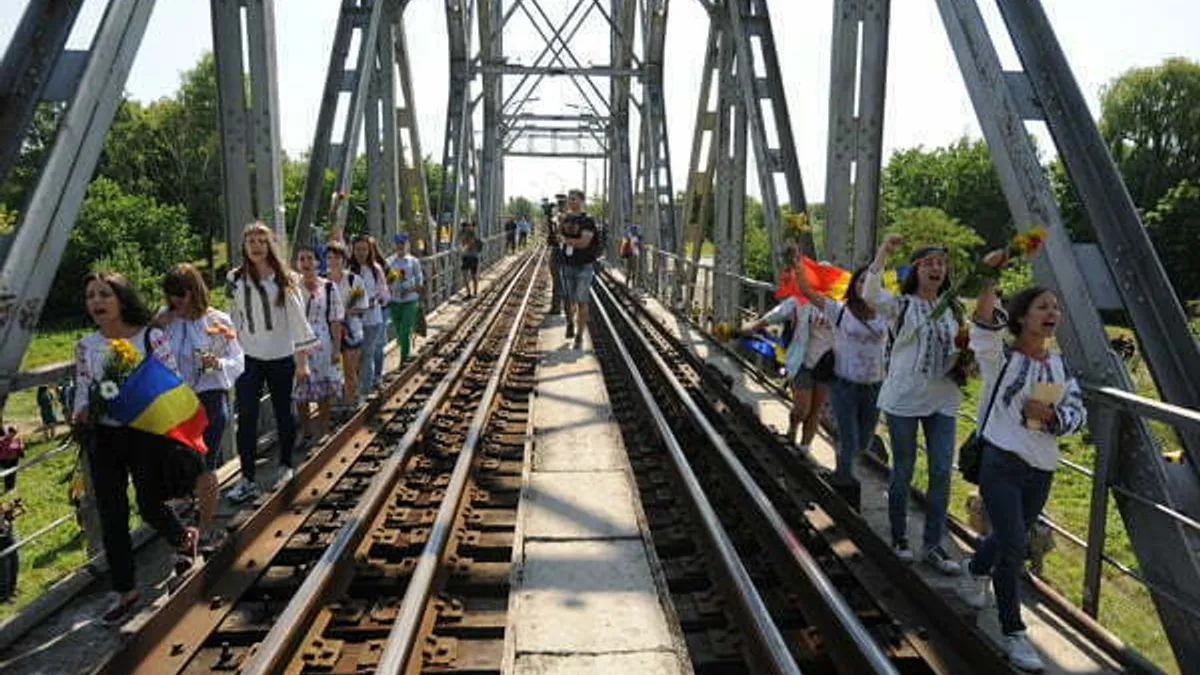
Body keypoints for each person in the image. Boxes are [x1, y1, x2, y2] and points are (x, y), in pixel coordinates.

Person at [961, 264, 1086, 672]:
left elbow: (1078, 412)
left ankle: (975, 567)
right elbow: (981, 321)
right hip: (1001, 462)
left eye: (1055, 307)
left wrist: (1051, 417)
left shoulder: (1060, 366)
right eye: (1042, 306)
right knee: (1014, 546)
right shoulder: (1001, 357)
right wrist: (989, 278)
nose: (1052, 312)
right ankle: (1013, 632)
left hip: (1042, 469)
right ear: (1020, 316)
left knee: (1007, 537)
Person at [72, 271, 205, 625]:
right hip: (105, 436)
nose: (96, 302)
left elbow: (172, 380)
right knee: (111, 512)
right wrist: (81, 411)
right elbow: (84, 384)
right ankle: (125, 591)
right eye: (90, 296)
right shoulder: (86, 345)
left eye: (104, 294)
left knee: (148, 503)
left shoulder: (151, 337)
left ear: (122, 298)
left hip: (145, 433)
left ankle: (182, 537)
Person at [862, 234, 963, 574]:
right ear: (916, 270)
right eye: (929, 263)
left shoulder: (953, 307)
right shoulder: (902, 304)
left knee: (940, 472)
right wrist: (883, 252)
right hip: (903, 397)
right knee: (903, 468)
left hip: (943, 398)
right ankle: (899, 537)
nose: (936, 268)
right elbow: (870, 294)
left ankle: (933, 545)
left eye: (941, 263)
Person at [227, 223, 317, 503]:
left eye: (261, 241)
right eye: (250, 241)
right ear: (244, 246)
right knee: (248, 417)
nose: (255, 246)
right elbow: (233, 318)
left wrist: (302, 362)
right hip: (248, 357)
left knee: (282, 411)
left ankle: (285, 465)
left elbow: (297, 322)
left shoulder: (285, 279)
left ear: (269, 246)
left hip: (280, 355)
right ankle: (248, 478)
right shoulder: (235, 279)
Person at [160, 263, 243, 541]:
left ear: (195, 292)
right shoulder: (165, 322)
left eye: (181, 294)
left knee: (205, 463)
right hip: (175, 401)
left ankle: (205, 526)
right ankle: (182, 524)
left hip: (209, 398)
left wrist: (218, 363)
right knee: (175, 464)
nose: (176, 301)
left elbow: (237, 360)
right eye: (171, 294)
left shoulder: (217, 321)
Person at [793, 263, 888, 490]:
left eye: (871, 281)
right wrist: (797, 266)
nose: (865, 285)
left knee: (863, 442)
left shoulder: (887, 314)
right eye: (861, 280)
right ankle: (843, 480)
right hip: (844, 385)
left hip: (874, 386)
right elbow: (808, 292)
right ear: (854, 285)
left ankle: (842, 468)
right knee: (849, 437)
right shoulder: (840, 310)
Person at [742, 257, 835, 455]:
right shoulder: (801, 300)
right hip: (801, 360)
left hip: (826, 363)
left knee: (815, 410)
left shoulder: (839, 304)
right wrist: (754, 326)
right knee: (803, 408)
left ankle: (804, 448)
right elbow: (777, 313)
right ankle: (793, 428)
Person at [293, 246, 345, 442]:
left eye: (309, 258)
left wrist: (337, 349)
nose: (306, 263)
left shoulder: (329, 288)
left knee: (323, 390)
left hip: (322, 342)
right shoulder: (292, 288)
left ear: (317, 262)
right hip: (299, 343)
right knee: (301, 391)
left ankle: (324, 430)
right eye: (302, 259)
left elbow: (335, 320)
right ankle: (306, 431)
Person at [326, 241, 367, 405]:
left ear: (344, 259)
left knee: (350, 371)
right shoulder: (322, 280)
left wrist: (341, 313)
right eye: (329, 257)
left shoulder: (354, 280)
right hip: (329, 333)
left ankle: (352, 403)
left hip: (351, 332)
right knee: (330, 372)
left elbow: (362, 307)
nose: (333, 261)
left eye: (337, 257)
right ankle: (334, 406)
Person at [349, 234, 389, 395]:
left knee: (367, 354)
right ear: (353, 250)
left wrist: (376, 300)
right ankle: (358, 387)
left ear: (369, 250)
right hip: (353, 321)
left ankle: (365, 392)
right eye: (358, 249)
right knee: (356, 357)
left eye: (364, 249)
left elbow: (384, 293)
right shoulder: (349, 270)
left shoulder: (375, 269)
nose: (361, 252)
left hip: (373, 319)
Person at [559, 189, 599, 349]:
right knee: (568, 299)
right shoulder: (564, 219)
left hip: (584, 266)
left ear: (581, 201)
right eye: (569, 199)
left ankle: (579, 336)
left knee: (582, 301)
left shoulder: (588, 220)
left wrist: (566, 240)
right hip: (567, 264)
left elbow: (584, 243)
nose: (571, 202)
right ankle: (570, 322)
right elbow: (557, 238)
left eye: (574, 199)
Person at [385, 233, 425, 363]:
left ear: (407, 245)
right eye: (398, 243)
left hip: (410, 300)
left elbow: (420, 281)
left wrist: (409, 289)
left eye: (403, 243)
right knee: (399, 330)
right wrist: (391, 280)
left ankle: (404, 359)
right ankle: (404, 348)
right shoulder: (390, 262)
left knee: (405, 330)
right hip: (394, 301)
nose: (400, 246)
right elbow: (387, 281)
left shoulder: (413, 262)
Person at [460, 225, 482, 298]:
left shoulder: (472, 240)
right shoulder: (476, 239)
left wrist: (465, 248)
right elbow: (480, 249)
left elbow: (464, 248)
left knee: (467, 276)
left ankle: (470, 293)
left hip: (468, 258)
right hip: (472, 258)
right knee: (472, 276)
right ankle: (474, 293)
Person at [0, 427, 23, 491]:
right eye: (12, 434)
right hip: (5, 459)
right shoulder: (2, 440)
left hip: (14, 459)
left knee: (13, 473)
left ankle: (12, 487)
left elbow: (20, 447)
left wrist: (21, 446)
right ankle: (7, 488)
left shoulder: (17, 439)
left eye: (15, 434)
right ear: (9, 433)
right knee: (7, 474)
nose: (13, 435)